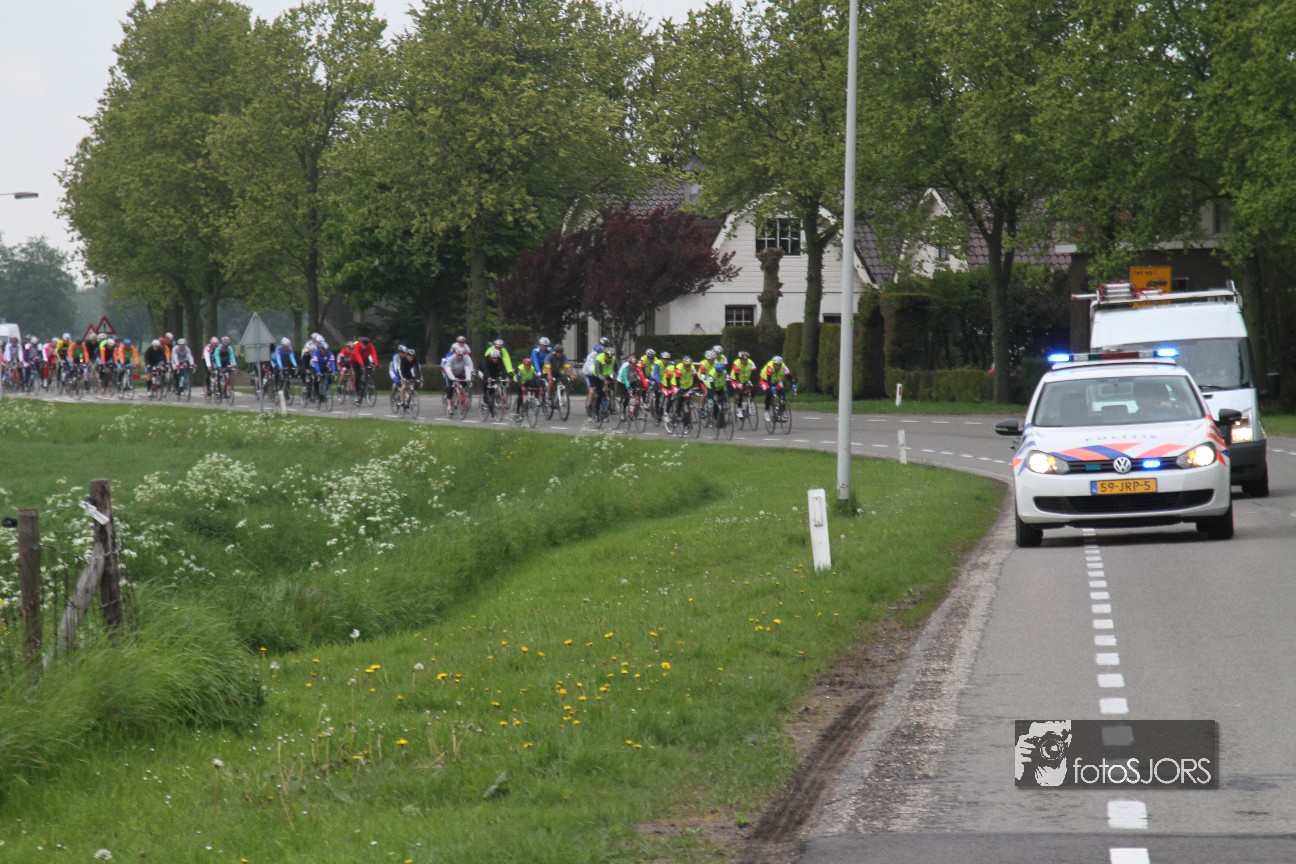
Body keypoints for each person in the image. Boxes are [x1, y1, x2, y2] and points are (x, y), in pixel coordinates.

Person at [760, 355, 796, 421]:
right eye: (776, 365)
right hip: (766, 381)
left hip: (776, 381)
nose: (777, 367)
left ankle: (780, 414)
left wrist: (793, 385)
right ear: (773, 364)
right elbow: (769, 381)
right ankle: (766, 411)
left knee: (782, 396)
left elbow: (790, 377)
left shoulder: (784, 367)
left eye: (779, 365)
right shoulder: (769, 367)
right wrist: (772, 388)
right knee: (769, 393)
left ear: (781, 364)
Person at [479, 347, 509, 415]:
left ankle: (494, 397)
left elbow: (503, 369)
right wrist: (488, 377)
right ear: (491, 357)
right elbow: (486, 370)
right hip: (483, 371)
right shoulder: (486, 360)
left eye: (497, 358)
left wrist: (506, 378)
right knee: (486, 382)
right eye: (494, 358)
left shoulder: (500, 359)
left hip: (494, 372)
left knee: (495, 384)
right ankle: (485, 394)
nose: (495, 359)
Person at [729, 350, 757, 419]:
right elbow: (736, 375)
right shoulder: (736, 363)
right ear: (740, 359)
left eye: (746, 359)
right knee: (740, 393)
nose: (745, 361)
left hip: (745, 380)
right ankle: (739, 411)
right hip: (735, 380)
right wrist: (739, 384)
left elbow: (754, 374)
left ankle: (750, 402)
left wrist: (754, 383)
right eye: (743, 359)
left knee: (753, 389)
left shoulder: (751, 363)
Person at [582, 341, 604, 413]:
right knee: (592, 391)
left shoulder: (603, 356)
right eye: (598, 353)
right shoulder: (591, 356)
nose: (600, 354)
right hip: (589, 374)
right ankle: (589, 405)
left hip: (598, 374)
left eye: (601, 353)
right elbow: (590, 367)